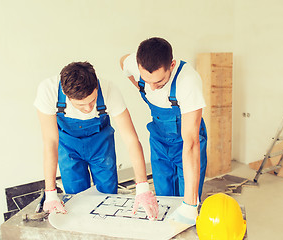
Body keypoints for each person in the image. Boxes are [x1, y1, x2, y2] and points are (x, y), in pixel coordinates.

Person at [34, 61, 158, 219]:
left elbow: (131, 139)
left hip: (101, 144)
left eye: (92, 101)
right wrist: (50, 193)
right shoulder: (48, 91)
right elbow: (50, 142)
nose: (88, 109)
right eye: (81, 105)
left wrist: (142, 187)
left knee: (108, 193)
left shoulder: (109, 90)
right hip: (68, 145)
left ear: (96, 88)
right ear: (66, 95)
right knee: (75, 197)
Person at [120, 37, 207, 225]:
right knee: (164, 197)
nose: (152, 87)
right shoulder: (135, 65)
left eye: (159, 82)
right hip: (159, 140)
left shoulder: (188, 81)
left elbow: (191, 143)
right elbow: (122, 61)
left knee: (188, 197)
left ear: (172, 65)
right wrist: (140, 86)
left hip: (186, 140)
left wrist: (190, 205)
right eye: (146, 80)